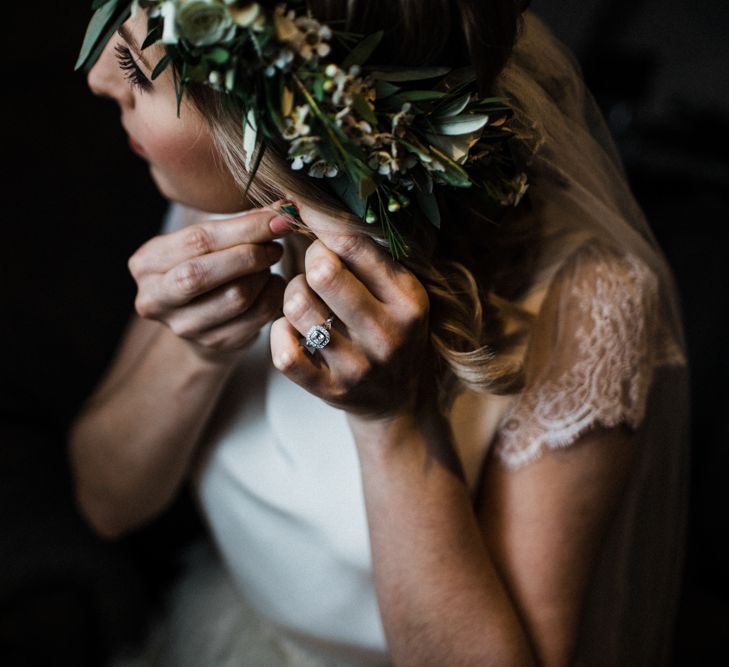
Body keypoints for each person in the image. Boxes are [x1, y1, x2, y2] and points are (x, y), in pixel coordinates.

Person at [70, 1, 690, 665]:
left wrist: (392, 424)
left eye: (137, 65)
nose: (97, 78)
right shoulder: (231, 187)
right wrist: (195, 349)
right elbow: (105, 501)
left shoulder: (589, 300)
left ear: (287, 123)